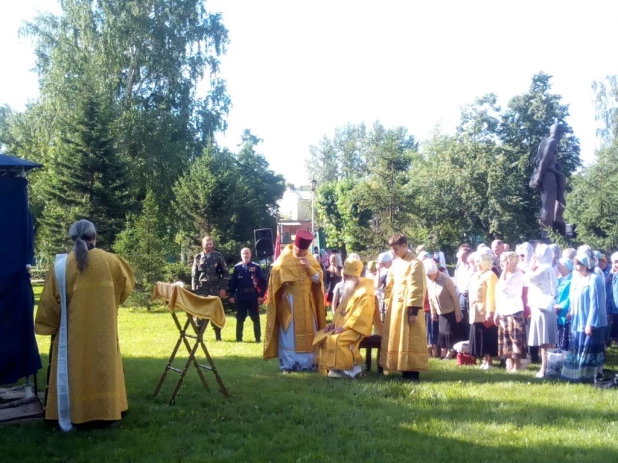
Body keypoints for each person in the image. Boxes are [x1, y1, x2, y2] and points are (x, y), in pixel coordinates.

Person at [35, 220, 134, 428]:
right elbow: (126, 287)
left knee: (75, 370)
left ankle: (75, 412)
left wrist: (49, 326)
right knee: (104, 369)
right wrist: (109, 304)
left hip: (72, 335)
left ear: (73, 239)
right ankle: (107, 411)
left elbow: (50, 303)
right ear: (94, 236)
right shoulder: (112, 261)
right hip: (103, 332)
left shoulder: (61, 266)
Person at [263, 230, 326, 372]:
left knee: (310, 332)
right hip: (290, 302)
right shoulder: (284, 258)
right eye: (299, 250)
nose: (301, 253)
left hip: (307, 302)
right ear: (295, 246)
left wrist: (309, 268)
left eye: (304, 251)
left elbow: (318, 280)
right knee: (289, 334)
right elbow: (275, 278)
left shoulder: (310, 259)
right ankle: (290, 364)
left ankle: (310, 363)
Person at [379, 234, 428, 381]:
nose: (394, 252)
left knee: (410, 337)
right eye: (392, 249)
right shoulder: (396, 263)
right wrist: (387, 302)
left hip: (408, 308)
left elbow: (417, 288)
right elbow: (390, 285)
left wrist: (413, 311)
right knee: (396, 336)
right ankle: (398, 365)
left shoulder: (415, 263)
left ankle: (411, 371)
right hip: (395, 308)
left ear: (404, 246)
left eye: (396, 248)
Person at [316, 257, 376, 378]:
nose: (345, 279)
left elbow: (361, 315)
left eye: (348, 277)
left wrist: (344, 328)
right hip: (344, 326)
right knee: (323, 336)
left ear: (355, 276)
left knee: (338, 339)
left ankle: (348, 370)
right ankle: (332, 368)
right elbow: (341, 310)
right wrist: (334, 324)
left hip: (357, 328)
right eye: (344, 276)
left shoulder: (365, 292)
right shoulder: (350, 287)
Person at [561, 252, 608, 383]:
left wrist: (591, 323)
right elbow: (574, 298)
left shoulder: (594, 279)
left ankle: (590, 377)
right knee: (577, 348)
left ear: (587, 264)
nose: (577, 267)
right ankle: (576, 375)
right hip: (578, 321)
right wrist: (571, 311)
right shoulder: (579, 279)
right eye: (575, 264)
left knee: (589, 350)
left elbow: (596, 303)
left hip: (590, 323)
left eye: (580, 264)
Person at [527, 244, 559, 378]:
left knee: (544, 340)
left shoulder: (544, 268)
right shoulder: (548, 267)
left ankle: (545, 368)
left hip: (542, 306)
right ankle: (549, 367)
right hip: (544, 305)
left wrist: (530, 266)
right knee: (546, 340)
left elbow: (529, 279)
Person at [529, 123, 567, 234]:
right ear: (560, 133)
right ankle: (546, 235)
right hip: (547, 176)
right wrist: (539, 178)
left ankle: (554, 223)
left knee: (552, 203)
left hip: (547, 174)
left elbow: (539, 160)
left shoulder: (543, 142)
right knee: (548, 207)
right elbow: (543, 161)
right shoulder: (552, 142)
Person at [494, 252, 527, 373]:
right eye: (501, 261)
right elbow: (498, 294)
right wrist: (496, 312)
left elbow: (504, 287)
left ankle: (517, 365)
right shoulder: (505, 274)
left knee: (516, 338)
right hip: (503, 310)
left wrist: (504, 271)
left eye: (504, 261)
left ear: (510, 261)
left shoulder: (517, 274)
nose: (502, 263)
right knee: (506, 338)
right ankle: (509, 363)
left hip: (514, 310)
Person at [191, 235, 228, 341]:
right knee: (200, 312)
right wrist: (194, 289)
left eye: (210, 244)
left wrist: (223, 288)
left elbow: (225, 272)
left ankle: (218, 337)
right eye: (207, 244)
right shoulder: (198, 257)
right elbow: (194, 275)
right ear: (203, 245)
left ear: (213, 245)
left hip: (215, 288)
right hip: (201, 289)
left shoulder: (218, 256)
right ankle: (199, 335)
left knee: (215, 311)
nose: (209, 246)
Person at [425, 259, 463, 359]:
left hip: (450, 311)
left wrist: (458, 313)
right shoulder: (429, 281)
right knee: (442, 333)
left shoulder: (446, 279)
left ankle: (450, 352)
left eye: (430, 275)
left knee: (449, 333)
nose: (428, 278)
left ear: (435, 272)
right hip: (440, 312)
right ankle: (443, 351)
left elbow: (455, 297)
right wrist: (433, 312)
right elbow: (430, 298)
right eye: (427, 276)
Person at [228, 248, 267, 343]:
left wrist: (261, 295)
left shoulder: (256, 267)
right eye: (243, 254)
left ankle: (258, 338)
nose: (245, 255)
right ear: (241, 255)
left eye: (247, 253)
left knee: (255, 317)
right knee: (240, 317)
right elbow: (233, 283)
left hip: (253, 295)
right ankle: (239, 338)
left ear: (250, 254)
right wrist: (231, 295)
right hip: (241, 296)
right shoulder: (237, 268)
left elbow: (263, 283)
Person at [468, 251, 498, 369]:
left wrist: (490, 312)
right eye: (475, 262)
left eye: (478, 262)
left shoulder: (491, 275)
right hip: (475, 311)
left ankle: (489, 361)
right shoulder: (475, 275)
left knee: (488, 336)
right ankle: (484, 360)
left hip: (485, 311)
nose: (476, 264)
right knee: (480, 336)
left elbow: (492, 295)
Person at [555, 257, 573, 351]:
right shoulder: (559, 280)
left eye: (560, 264)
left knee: (565, 335)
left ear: (567, 267)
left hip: (565, 312)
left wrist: (561, 306)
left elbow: (571, 296)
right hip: (557, 312)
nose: (558, 266)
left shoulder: (573, 280)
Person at [376, 251, 393, 322]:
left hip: (392, 297)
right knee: (383, 319)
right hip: (384, 297)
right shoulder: (383, 271)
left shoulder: (394, 268)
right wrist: (378, 271)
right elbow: (378, 285)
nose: (382, 264)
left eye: (383, 262)